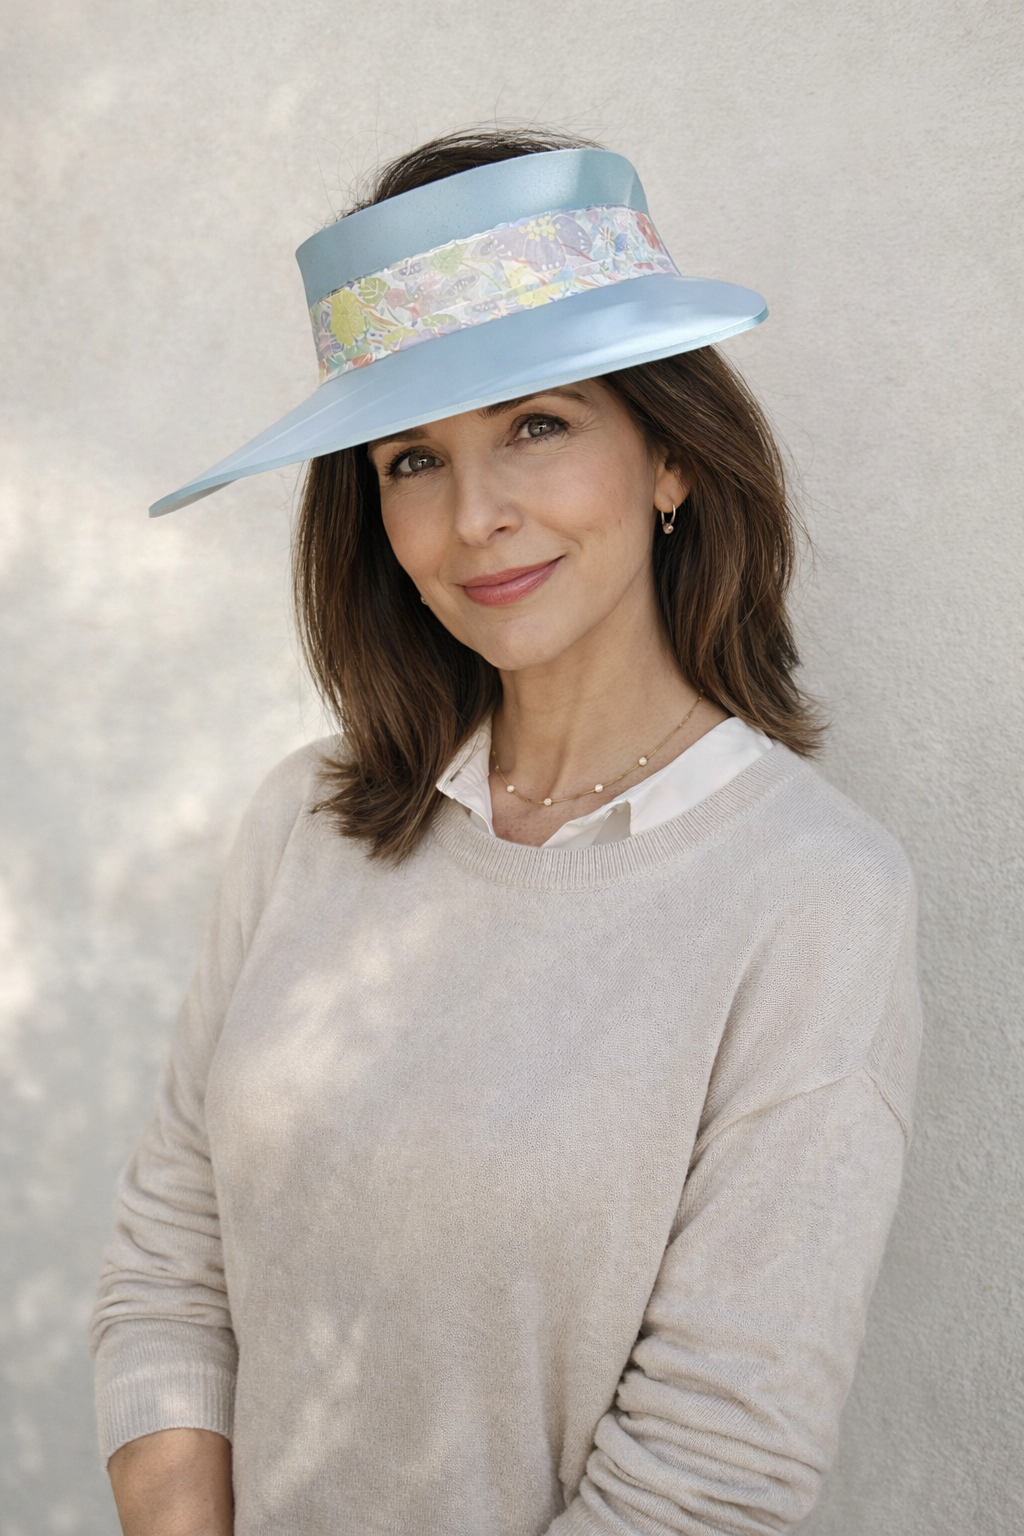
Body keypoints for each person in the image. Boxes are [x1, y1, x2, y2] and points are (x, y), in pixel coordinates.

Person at [92, 129, 921, 1536]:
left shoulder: (811, 897)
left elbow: (711, 1475)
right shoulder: (307, 820)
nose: (475, 517)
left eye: (536, 423)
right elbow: (171, 1272)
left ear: (670, 458)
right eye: (414, 458)